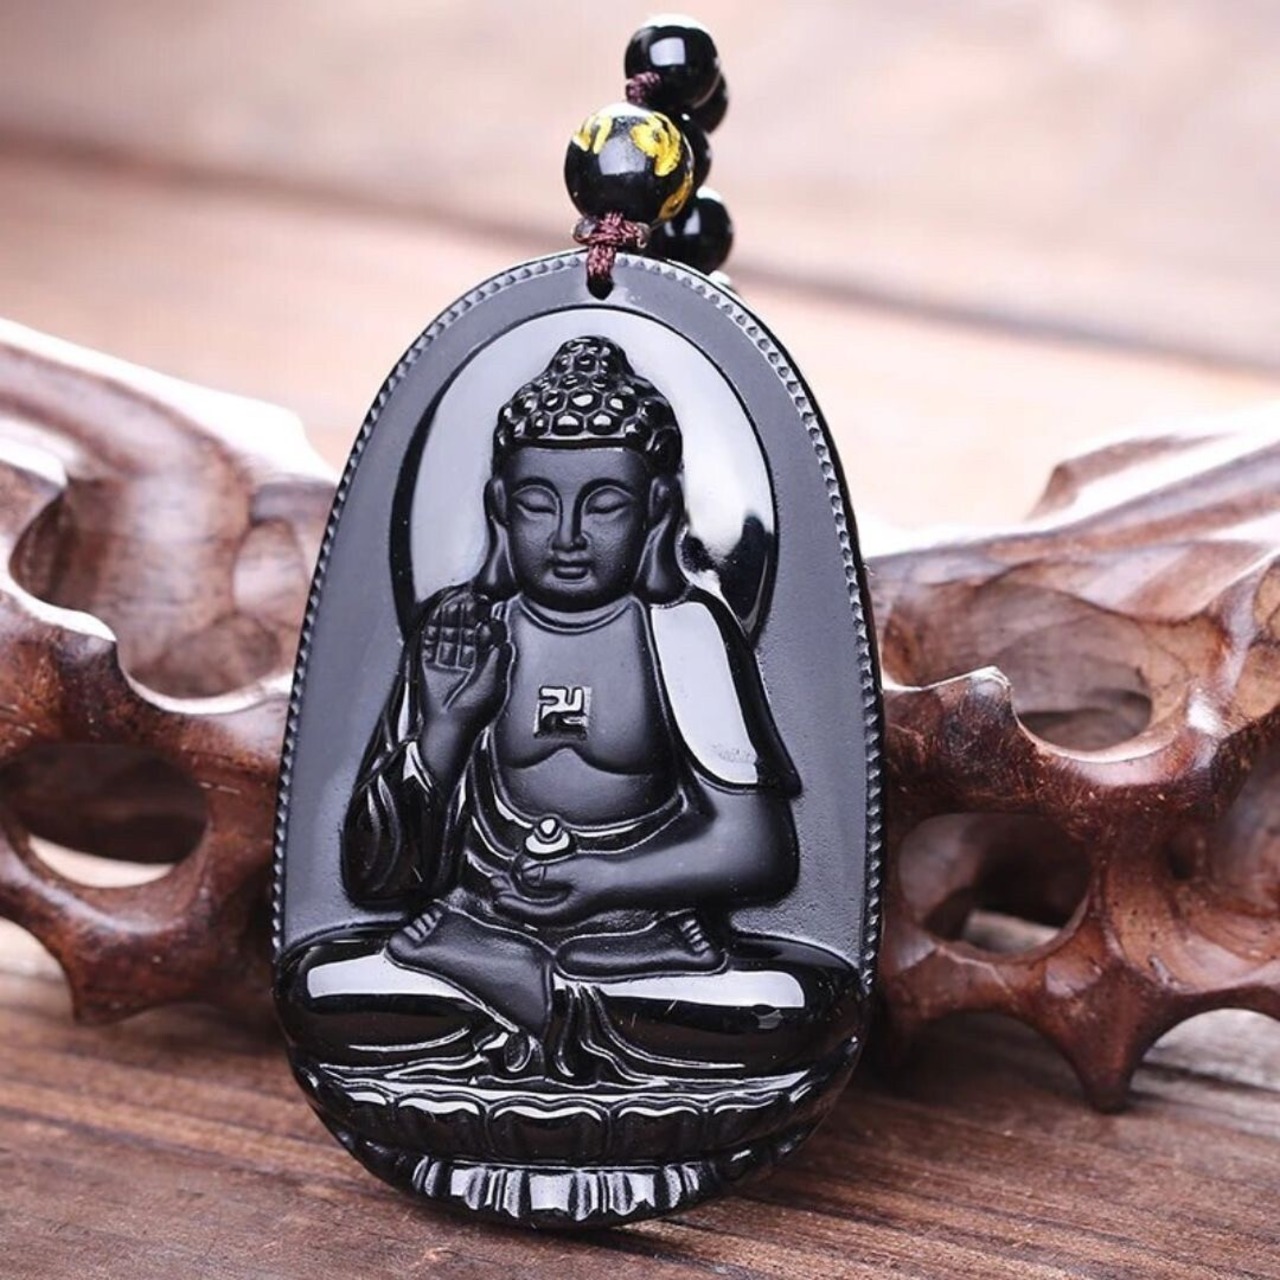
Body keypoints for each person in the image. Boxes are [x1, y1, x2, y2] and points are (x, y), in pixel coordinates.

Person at [291, 337, 851, 1082]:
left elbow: (757, 848)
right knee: (317, 989)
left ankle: (531, 1012)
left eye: (605, 504)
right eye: (537, 503)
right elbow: (374, 877)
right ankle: (549, 1014)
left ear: (657, 509)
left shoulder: (684, 634)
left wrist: (606, 878)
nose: (567, 537)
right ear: (499, 506)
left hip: (640, 944)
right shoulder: (461, 630)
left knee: (793, 1005)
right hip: (474, 930)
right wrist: (447, 729)